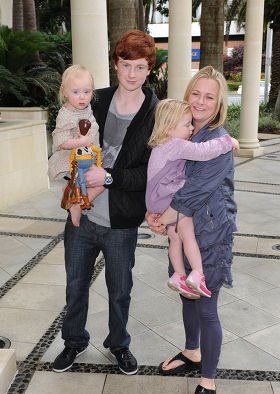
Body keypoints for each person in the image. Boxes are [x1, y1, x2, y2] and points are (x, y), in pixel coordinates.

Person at [52, 30, 158, 375]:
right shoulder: (92, 98)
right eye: (125, 65)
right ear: (116, 65)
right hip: (82, 215)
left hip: (121, 223)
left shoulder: (155, 112)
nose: (131, 74)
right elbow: (65, 135)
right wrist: (73, 180)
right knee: (75, 286)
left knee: (120, 291)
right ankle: (73, 342)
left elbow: (150, 171)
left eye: (139, 67)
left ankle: (119, 344)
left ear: (149, 69)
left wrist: (109, 177)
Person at [146, 66, 237, 394]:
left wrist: (160, 216)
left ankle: (209, 380)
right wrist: (152, 212)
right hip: (184, 235)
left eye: (209, 96)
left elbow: (193, 192)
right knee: (187, 292)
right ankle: (192, 351)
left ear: (219, 104)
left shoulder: (218, 142)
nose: (200, 101)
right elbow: (161, 175)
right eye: (195, 93)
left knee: (206, 306)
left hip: (210, 234)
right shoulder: (180, 131)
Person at [146, 98, 238, 300]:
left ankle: (178, 275)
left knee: (175, 237)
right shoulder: (175, 144)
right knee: (188, 234)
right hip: (167, 197)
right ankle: (198, 274)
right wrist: (227, 142)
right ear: (170, 128)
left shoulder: (160, 145)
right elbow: (202, 152)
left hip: (156, 200)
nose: (191, 129)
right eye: (187, 125)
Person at [48, 64, 103, 223]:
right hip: (72, 157)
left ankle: (76, 198)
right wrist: (80, 141)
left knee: (103, 179)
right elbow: (60, 141)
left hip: (87, 154)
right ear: (64, 91)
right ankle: (74, 203)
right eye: (76, 92)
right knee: (96, 180)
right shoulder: (66, 114)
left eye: (87, 92)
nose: (82, 97)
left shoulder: (85, 108)